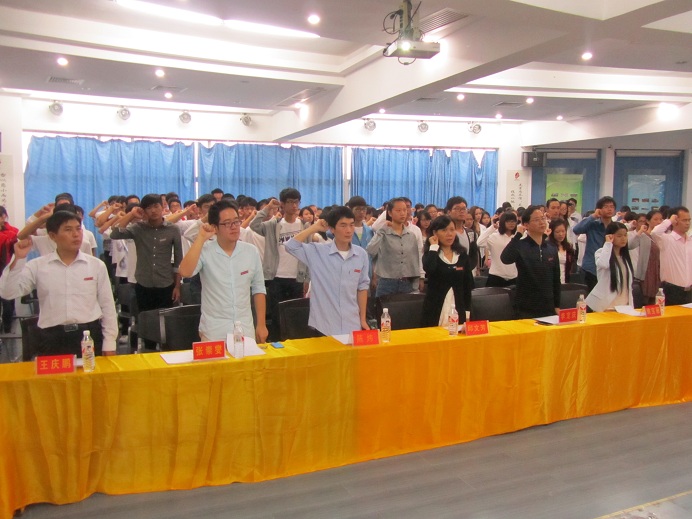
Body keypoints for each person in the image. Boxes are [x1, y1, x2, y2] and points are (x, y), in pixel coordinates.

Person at [0, 211, 117, 356]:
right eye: (68, 229)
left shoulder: (96, 265)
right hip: (51, 337)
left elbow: (107, 305)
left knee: (90, 371)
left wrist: (109, 342)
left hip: (88, 335)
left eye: (78, 228)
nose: (76, 234)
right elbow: (8, 292)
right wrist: (18, 260)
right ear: (52, 236)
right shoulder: (38, 266)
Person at [178, 200, 267, 342]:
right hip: (214, 330)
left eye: (236, 221)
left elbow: (259, 289)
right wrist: (201, 238)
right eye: (227, 223)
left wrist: (261, 325)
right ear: (215, 227)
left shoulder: (251, 251)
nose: (234, 227)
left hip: (244, 328)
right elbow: (185, 272)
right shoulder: (205, 250)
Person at [285, 206, 370, 336]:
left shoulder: (361, 254)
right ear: (332, 229)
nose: (348, 230)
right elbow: (290, 246)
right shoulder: (317, 251)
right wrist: (314, 228)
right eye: (343, 225)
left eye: (351, 225)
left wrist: (362, 319)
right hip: (324, 326)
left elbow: (362, 287)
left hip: (352, 323)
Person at [110, 193, 183, 322]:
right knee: (146, 323)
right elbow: (115, 234)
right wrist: (132, 214)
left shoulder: (173, 229)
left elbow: (178, 260)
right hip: (143, 284)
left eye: (156, 206)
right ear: (143, 210)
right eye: (148, 208)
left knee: (165, 324)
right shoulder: (138, 228)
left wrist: (177, 286)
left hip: (166, 283)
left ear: (162, 207)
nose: (153, 210)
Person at [250, 188, 310, 341]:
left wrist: (307, 278)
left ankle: (294, 344)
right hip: (276, 277)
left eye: (296, 202)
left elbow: (309, 254)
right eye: (290, 202)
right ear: (282, 204)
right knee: (277, 316)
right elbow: (254, 225)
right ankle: (277, 344)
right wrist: (268, 208)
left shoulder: (305, 226)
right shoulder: (273, 225)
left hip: (297, 278)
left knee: (294, 316)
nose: (294, 205)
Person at [500, 205, 560, 318]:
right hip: (526, 307)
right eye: (536, 220)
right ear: (526, 225)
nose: (542, 222)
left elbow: (556, 279)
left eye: (543, 218)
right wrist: (518, 235)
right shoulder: (521, 245)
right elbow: (505, 259)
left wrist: (557, 305)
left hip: (548, 307)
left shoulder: (551, 248)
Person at [421, 215, 473, 327]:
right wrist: (434, 247)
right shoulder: (431, 254)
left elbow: (467, 286)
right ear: (435, 233)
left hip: (458, 309)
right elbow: (429, 269)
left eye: (452, 230)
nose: (449, 234)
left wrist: (467, 313)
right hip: (435, 310)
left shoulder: (462, 255)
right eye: (444, 230)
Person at [367, 198, 422, 296]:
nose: (402, 213)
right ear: (390, 213)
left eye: (404, 210)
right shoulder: (383, 233)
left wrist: (416, 281)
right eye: (398, 210)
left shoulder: (411, 235)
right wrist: (382, 229)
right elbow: (370, 250)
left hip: (406, 283)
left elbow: (414, 260)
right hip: (386, 283)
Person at [585, 222, 634, 312]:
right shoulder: (601, 252)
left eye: (625, 235)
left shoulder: (625, 257)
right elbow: (603, 264)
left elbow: (628, 286)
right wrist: (608, 244)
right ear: (610, 236)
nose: (623, 238)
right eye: (619, 236)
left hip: (624, 305)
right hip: (606, 305)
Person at [573, 196, 616, 291]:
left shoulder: (616, 227)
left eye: (612, 207)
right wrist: (593, 216)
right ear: (599, 209)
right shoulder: (593, 224)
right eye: (606, 206)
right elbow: (576, 230)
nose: (609, 209)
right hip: (591, 268)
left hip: (609, 268)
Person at [650, 206, 692, 305]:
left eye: (689, 220)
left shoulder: (690, 241)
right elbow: (655, 232)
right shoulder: (667, 239)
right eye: (684, 220)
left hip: (689, 291)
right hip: (671, 290)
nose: (687, 223)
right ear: (675, 221)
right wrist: (669, 221)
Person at [477, 211, 518, 287]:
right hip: (496, 276)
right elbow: (479, 242)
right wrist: (492, 228)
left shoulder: (517, 237)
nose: (511, 223)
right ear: (502, 222)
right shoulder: (494, 236)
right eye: (508, 221)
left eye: (513, 221)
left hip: (514, 276)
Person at [0, 206, 19, 333]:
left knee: (7, 299)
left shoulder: (12, 232)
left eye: (2, 216)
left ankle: (7, 328)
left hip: (7, 268)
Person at [548, 218, 575, 284]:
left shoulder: (569, 248)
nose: (561, 234)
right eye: (557, 232)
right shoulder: (547, 247)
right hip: (551, 281)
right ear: (552, 232)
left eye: (563, 231)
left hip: (565, 281)